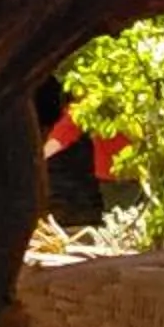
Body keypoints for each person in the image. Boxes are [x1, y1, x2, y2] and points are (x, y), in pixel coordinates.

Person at [35, 78, 105, 229]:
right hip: (111, 174)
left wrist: (36, 160)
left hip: (116, 173)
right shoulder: (87, 108)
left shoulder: (85, 109)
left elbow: (64, 133)